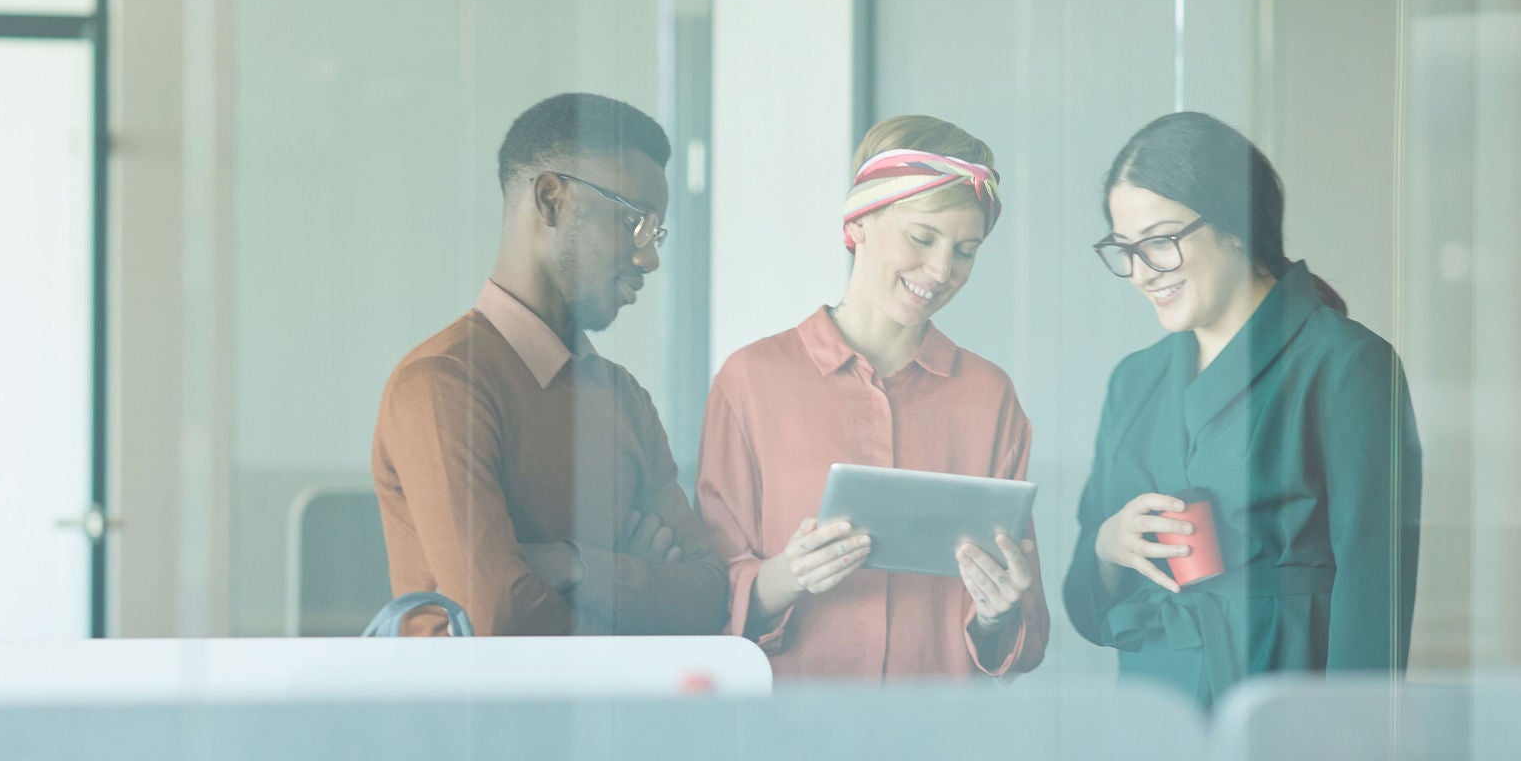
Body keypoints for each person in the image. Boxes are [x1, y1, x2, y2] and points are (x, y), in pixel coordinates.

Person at [1064, 111, 1422, 706]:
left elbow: (1373, 602)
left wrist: (1348, 746)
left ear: (1235, 223)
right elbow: (1084, 605)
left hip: (1281, 713)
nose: (1141, 273)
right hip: (1155, 715)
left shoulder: (1346, 365)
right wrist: (1108, 544)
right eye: (1124, 250)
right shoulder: (1134, 381)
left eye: (1160, 242)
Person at [696, 115, 1050, 679]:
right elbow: (703, 597)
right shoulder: (751, 381)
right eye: (922, 238)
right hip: (791, 721)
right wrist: (784, 577)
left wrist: (997, 613)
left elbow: (1020, 639)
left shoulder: (990, 398)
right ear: (858, 222)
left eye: (966, 250)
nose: (942, 270)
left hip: (939, 728)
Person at [371, 93, 727, 636]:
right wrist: (634, 584)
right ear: (551, 200)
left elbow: (708, 597)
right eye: (633, 220)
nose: (649, 257)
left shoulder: (624, 397)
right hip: (482, 699)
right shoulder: (443, 383)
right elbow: (496, 618)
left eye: (655, 232)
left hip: (613, 698)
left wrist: (574, 564)